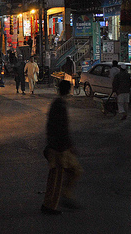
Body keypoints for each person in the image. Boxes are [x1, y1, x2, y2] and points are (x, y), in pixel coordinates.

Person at [41, 80, 83, 215]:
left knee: (74, 170)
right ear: (68, 90)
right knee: (56, 178)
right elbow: (61, 128)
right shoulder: (59, 105)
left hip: (60, 146)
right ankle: (49, 206)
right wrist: (67, 145)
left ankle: (63, 196)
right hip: (59, 148)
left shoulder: (58, 104)